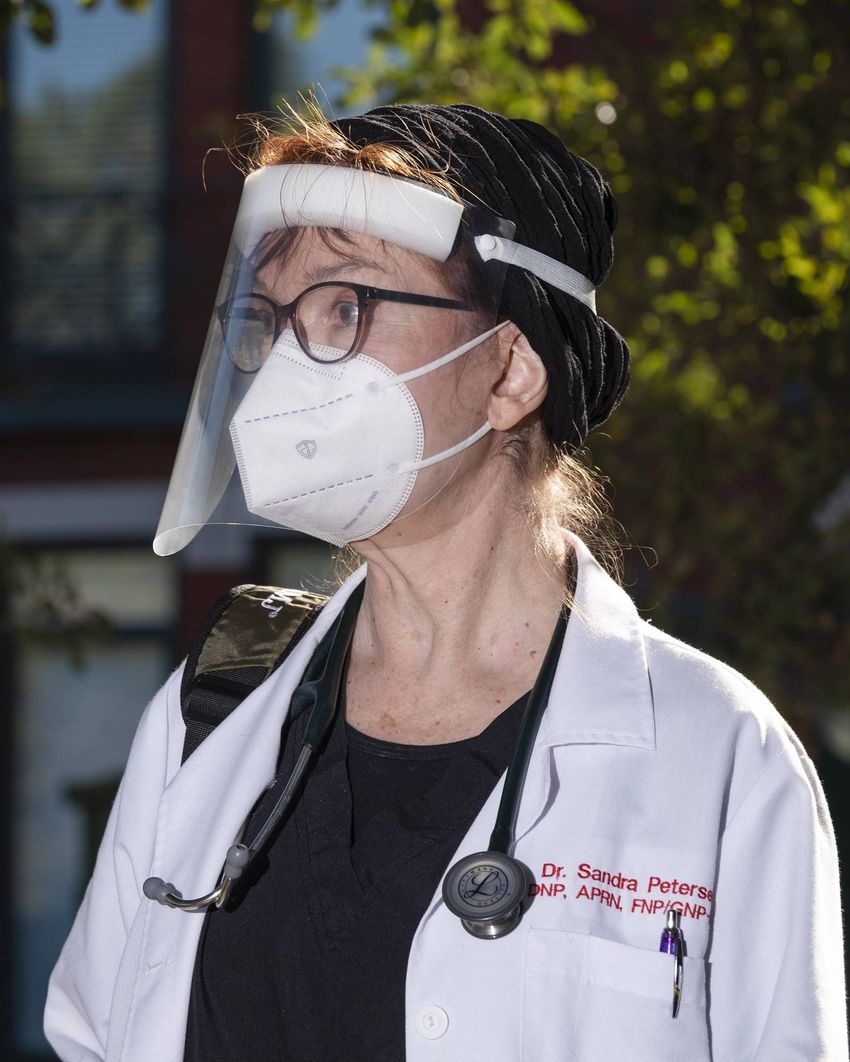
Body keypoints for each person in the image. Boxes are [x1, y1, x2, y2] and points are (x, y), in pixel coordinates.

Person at [44, 103, 847, 1062]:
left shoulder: (715, 751)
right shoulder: (211, 714)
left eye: (344, 308)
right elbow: (92, 1036)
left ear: (510, 371)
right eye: (266, 323)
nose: (288, 366)